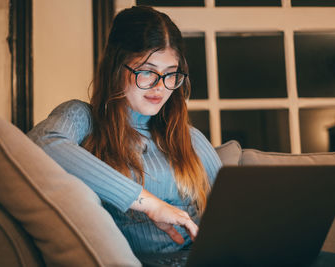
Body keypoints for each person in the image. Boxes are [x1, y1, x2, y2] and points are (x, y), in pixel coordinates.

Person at [27, 5, 223, 255]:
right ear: (117, 69)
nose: (160, 87)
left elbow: (234, 212)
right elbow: (40, 144)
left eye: (170, 74)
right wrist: (149, 204)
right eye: (147, 72)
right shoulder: (83, 118)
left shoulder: (189, 137)